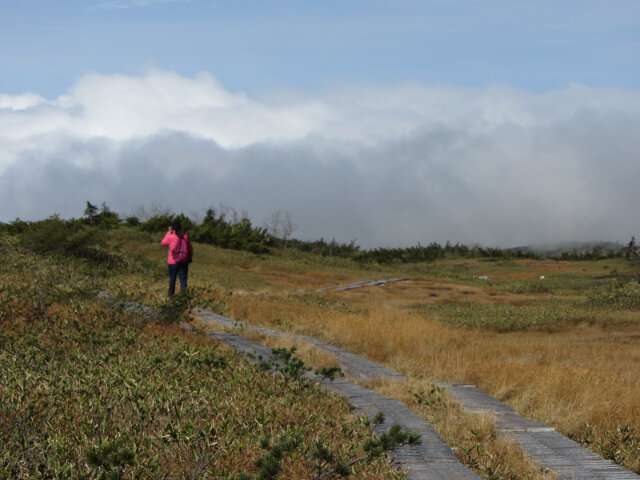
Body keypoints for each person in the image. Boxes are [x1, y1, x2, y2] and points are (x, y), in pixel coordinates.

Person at [160, 220, 193, 297]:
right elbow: (190, 248)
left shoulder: (171, 236)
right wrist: (189, 257)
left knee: (172, 280)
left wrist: (168, 232)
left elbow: (163, 243)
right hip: (183, 261)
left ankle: (170, 297)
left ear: (172, 228)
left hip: (173, 262)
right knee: (183, 281)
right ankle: (183, 298)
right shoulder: (185, 236)